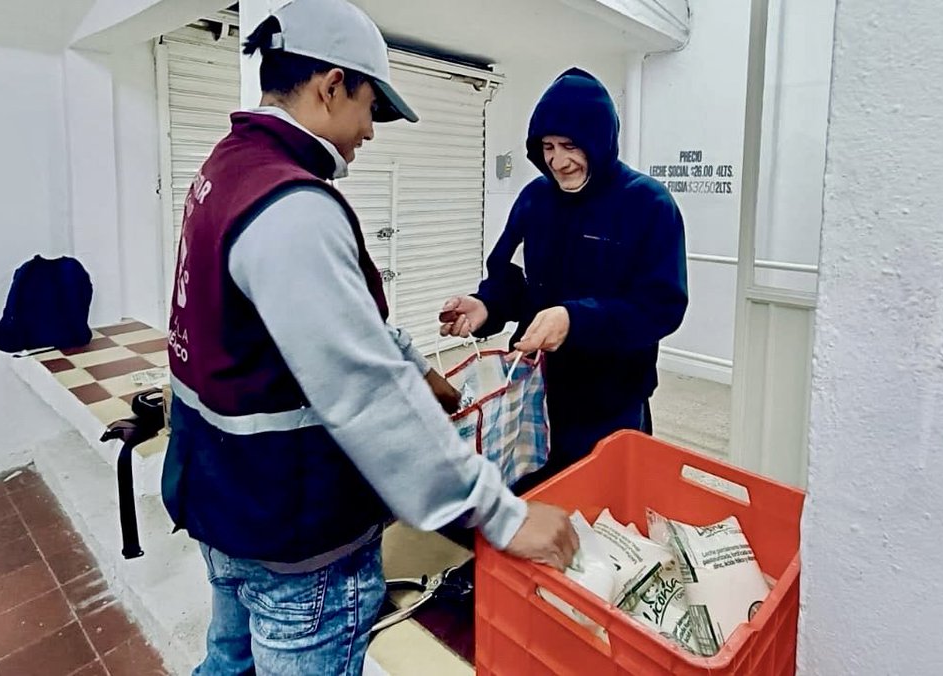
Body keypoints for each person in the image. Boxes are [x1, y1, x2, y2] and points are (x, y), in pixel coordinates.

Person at [160, 1, 577, 674]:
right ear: (330, 85)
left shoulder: (227, 170)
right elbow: (366, 397)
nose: (370, 134)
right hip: (296, 533)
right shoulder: (293, 207)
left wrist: (414, 367)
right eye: (369, 109)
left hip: (224, 499)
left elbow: (331, 322)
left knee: (227, 664)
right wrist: (502, 514)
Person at [440, 67, 689, 491]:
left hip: (611, 401)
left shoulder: (648, 205)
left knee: (601, 515)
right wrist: (486, 306)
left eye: (571, 146)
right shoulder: (535, 199)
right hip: (532, 393)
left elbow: (660, 307)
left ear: (600, 142)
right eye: (548, 147)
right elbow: (511, 277)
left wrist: (575, 320)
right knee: (532, 507)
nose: (558, 160)